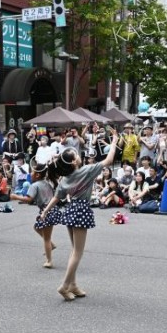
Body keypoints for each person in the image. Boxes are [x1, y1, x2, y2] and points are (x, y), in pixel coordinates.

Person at [40, 129, 119, 301]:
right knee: (78, 252)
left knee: (73, 250)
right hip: (81, 210)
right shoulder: (87, 171)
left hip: (70, 210)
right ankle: (64, 285)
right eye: (76, 155)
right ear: (74, 161)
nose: (78, 156)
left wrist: (45, 212)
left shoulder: (64, 180)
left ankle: (73, 285)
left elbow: (56, 198)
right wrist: (113, 142)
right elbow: (109, 160)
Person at [11, 164, 62, 269]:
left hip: (46, 211)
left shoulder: (35, 185)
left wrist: (16, 197)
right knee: (37, 227)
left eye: (32, 172)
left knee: (46, 238)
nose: (31, 174)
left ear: (38, 175)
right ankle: (51, 245)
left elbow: (28, 199)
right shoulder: (47, 182)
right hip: (52, 209)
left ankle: (49, 260)